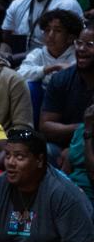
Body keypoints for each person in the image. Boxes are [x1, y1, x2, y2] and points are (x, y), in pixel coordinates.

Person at [39, 22, 94, 153]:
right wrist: (83, 128)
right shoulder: (61, 79)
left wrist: (76, 150)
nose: (81, 49)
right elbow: (45, 126)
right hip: (63, 145)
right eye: (79, 43)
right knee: (46, 151)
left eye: (89, 45)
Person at [18, 9, 82, 88]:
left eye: (58, 31)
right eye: (47, 30)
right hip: (42, 95)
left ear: (70, 37)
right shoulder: (38, 53)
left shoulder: (80, 54)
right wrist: (49, 69)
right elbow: (20, 74)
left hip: (70, 96)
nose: (50, 35)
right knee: (29, 86)